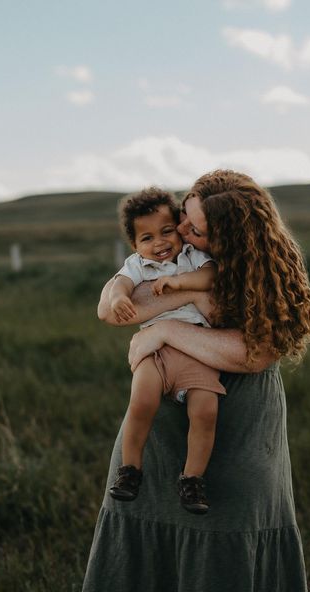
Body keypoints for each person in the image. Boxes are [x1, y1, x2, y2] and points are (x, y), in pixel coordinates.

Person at [83, 170, 310, 592]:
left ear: (232, 236)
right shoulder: (176, 258)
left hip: (241, 428)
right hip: (161, 431)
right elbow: (115, 307)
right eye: (184, 218)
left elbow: (254, 354)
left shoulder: (270, 274)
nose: (184, 233)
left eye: (197, 229)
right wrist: (189, 295)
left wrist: (167, 330)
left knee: (230, 539)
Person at [108, 187, 226, 514]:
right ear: (135, 246)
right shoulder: (137, 265)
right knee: (141, 401)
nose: (158, 243)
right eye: (146, 238)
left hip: (197, 349)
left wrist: (181, 282)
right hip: (155, 351)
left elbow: (211, 275)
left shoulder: (192, 256)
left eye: (166, 231)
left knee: (205, 411)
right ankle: (130, 470)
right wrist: (119, 298)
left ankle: (192, 479)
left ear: (179, 228)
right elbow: (119, 285)